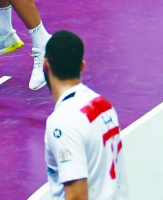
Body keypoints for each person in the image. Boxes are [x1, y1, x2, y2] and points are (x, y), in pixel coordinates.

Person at [43, 31, 129, 200]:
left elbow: (77, 196)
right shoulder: (103, 105)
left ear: (46, 65)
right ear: (82, 66)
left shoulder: (62, 122)